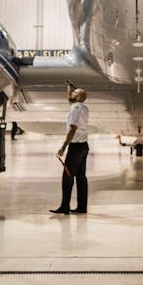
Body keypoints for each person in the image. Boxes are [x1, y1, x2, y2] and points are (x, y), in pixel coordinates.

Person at [51, 84, 90, 215]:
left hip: (75, 147)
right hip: (84, 146)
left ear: (78, 97)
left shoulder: (75, 108)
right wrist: (69, 87)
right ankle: (82, 207)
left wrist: (63, 146)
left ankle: (64, 206)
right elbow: (70, 99)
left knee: (67, 177)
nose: (71, 94)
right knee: (81, 177)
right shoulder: (84, 107)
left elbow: (72, 129)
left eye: (74, 93)